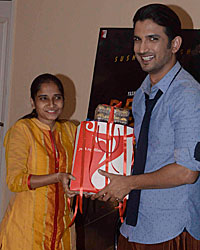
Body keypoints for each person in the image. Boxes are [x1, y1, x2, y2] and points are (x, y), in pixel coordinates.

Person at [91, 4, 200, 249]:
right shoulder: (142, 94)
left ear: (174, 44)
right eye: (137, 39)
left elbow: (187, 172)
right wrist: (95, 180)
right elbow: (144, 157)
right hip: (136, 225)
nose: (142, 49)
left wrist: (128, 183)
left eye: (153, 39)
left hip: (172, 229)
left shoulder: (188, 95)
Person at [0, 73, 78, 250]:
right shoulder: (23, 130)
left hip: (62, 228)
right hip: (27, 230)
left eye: (57, 98)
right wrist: (57, 177)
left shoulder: (69, 131)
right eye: (44, 98)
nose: (51, 104)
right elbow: (15, 181)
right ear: (33, 102)